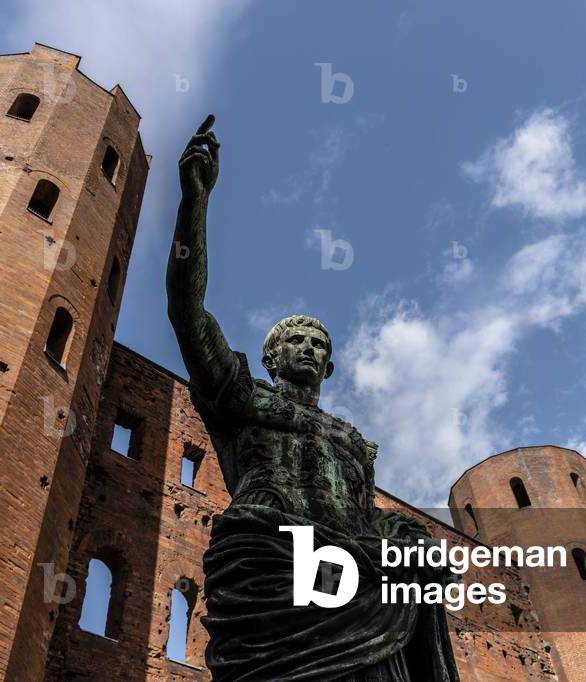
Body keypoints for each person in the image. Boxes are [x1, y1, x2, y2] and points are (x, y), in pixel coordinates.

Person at [167, 115, 459, 681]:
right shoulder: (240, 397)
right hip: (274, 570)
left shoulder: (353, 443)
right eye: (294, 340)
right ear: (271, 357)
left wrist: (406, 537)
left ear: (329, 364)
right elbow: (187, 313)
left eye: (317, 343)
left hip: (360, 584)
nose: (306, 347)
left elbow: (365, 516)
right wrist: (194, 203)